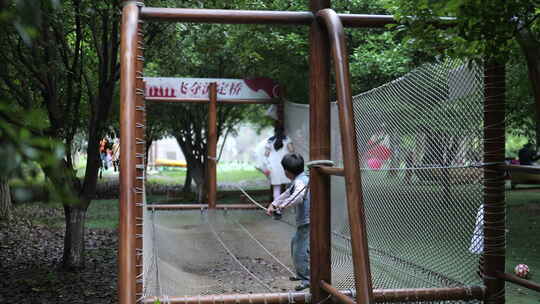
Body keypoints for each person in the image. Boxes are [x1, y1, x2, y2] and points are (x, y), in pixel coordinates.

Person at [266, 153, 310, 291]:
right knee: (296, 244)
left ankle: (306, 279)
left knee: (300, 250)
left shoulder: (300, 182)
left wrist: (281, 206)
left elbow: (298, 197)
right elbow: (287, 194)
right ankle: (302, 273)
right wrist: (274, 204)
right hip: (306, 221)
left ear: (286, 171)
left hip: (307, 221)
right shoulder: (301, 179)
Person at [264, 125, 295, 200]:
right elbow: (292, 150)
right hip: (285, 164)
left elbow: (266, 154)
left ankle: (276, 208)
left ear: (274, 131)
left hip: (273, 166)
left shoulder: (270, 140)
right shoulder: (287, 139)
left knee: (276, 188)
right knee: (289, 187)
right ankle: (287, 206)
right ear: (283, 131)